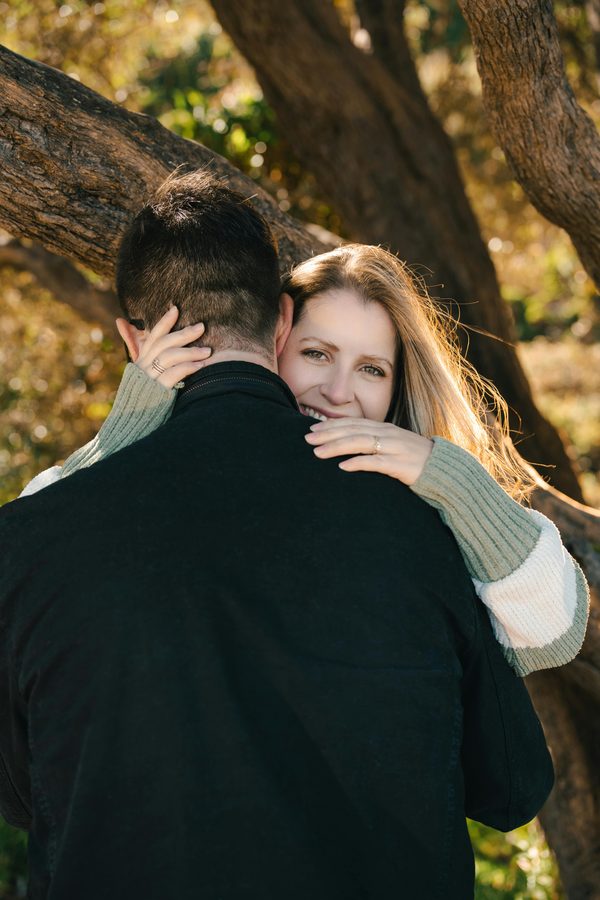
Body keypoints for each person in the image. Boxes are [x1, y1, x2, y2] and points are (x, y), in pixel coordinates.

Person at [0, 170, 555, 899]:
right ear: (283, 323)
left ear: (131, 339)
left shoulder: (35, 537)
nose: (335, 390)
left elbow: (21, 792)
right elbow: (513, 788)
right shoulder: (418, 529)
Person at [22, 249, 589, 679]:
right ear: (275, 342)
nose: (337, 392)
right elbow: (26, 555)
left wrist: (456, 478)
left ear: (397, 389)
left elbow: (552, 630)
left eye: (371, 369)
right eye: (316, 354)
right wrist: (132, 427)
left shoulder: (413, 505)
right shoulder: (188, 455)